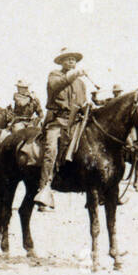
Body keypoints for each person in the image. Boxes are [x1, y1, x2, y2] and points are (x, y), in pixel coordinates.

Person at [35, 49, 89, 209]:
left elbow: (83, 101)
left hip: (76, 123)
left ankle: (97, 189)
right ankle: (44, 189)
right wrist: (74, 74)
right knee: (50, 150)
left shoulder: (81, 83)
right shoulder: (54, 76)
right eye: (68, 59)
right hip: (58, 121)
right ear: (61, 62)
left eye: (73, 60)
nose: (71, 62)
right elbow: (58, 85)